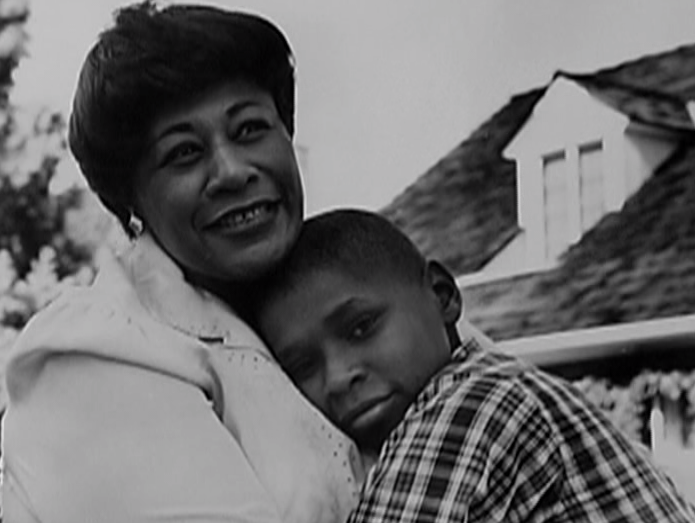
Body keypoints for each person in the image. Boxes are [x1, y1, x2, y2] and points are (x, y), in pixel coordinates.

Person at [1, 3, 367, 522]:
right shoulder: (92, 356)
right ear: (129, 199)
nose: (232, 172)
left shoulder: (368, 282)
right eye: (183, 154)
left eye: (250, 129)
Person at [251, 208, 695, 523]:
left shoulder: (474, 404)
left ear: (443, 296)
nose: (338, 376)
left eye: (361, 327)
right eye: (303, 365)